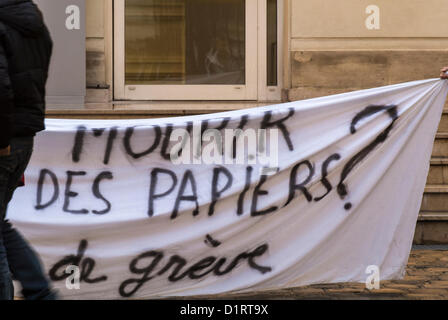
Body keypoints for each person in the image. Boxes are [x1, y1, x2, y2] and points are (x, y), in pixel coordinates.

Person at [0, 0, 56, 300]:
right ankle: (40, 292)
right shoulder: (33, 23)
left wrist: (2, 141)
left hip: (5, 141)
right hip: (22, 137)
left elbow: (2, 89)